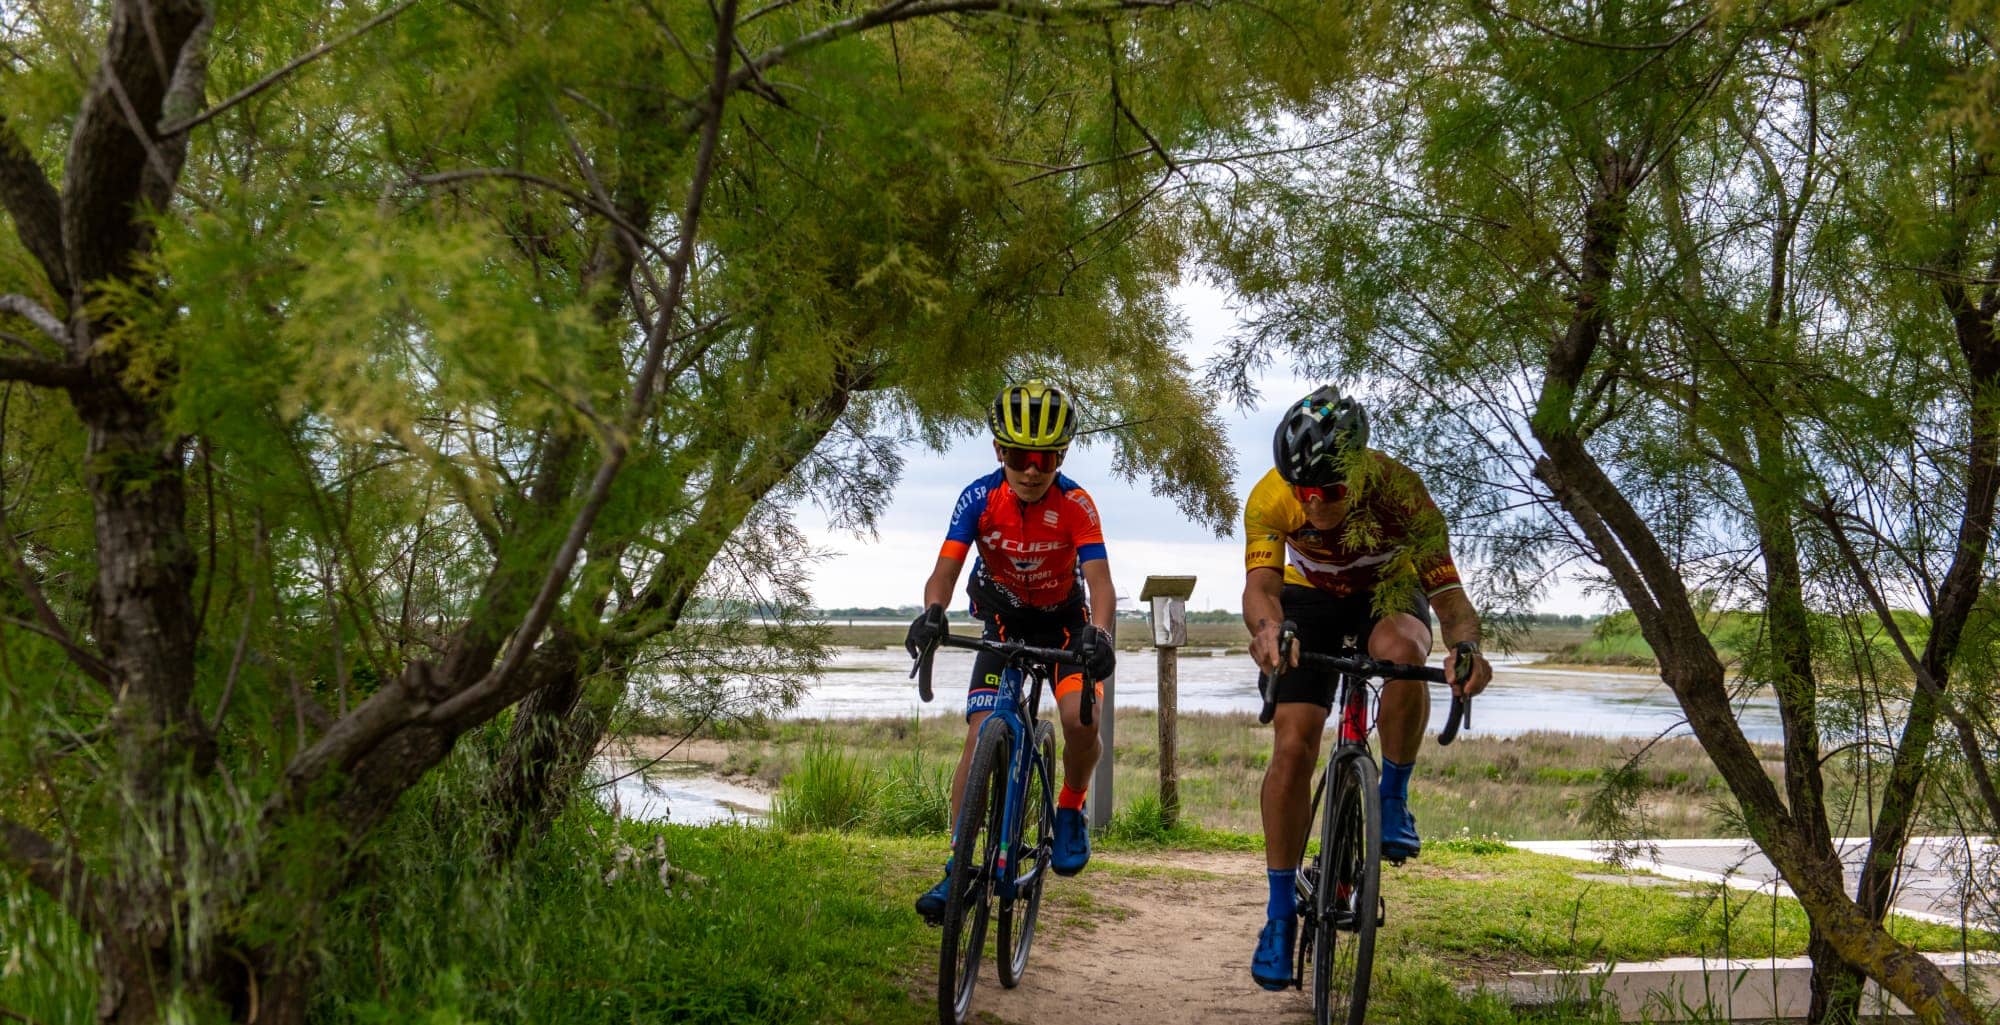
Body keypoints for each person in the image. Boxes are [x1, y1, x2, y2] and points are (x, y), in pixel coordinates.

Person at [1243, 384, 1492, 990]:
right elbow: (1261, 588)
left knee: (1404, 652)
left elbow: (1449, 600)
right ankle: (1278, 916)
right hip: (1310, 599)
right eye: (1306, 492)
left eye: (1330, 491)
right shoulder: (1271, 497)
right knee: (1293, 744)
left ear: (1358, 473)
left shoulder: (1402, 494)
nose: (1316, 504)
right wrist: (1269, 630)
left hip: (1386, 592)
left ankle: (1393, 796)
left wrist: (1467, 649)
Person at [904, 380, 1117, 924]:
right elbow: (945, 570)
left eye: (1042, 458)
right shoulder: (979, 498)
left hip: (1065, 627)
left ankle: (1070, 807)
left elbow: (1101, 585)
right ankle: (958, 866)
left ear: (1059, 457)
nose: (1030, 470)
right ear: (1000, 451)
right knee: (980, 737)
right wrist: (933, 613)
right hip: (1002, 618)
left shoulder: (1075, 504)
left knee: (1079, 721)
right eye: (1019, 457)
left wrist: (1105, 635)